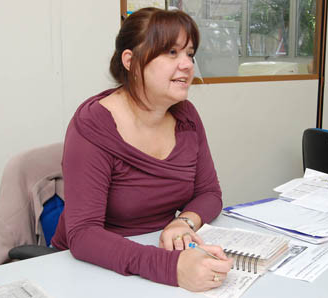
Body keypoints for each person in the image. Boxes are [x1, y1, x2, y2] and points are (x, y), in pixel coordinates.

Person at [51, 7, 233, 292]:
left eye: (189, 53)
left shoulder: (186, 117)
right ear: (131, 61)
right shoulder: (93, 125)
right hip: (92, 267)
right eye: (171, 53)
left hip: (152, 253)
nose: (186, 64)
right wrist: (170, 267)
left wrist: (182, 223)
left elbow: (209, 193)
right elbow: (83, 234)